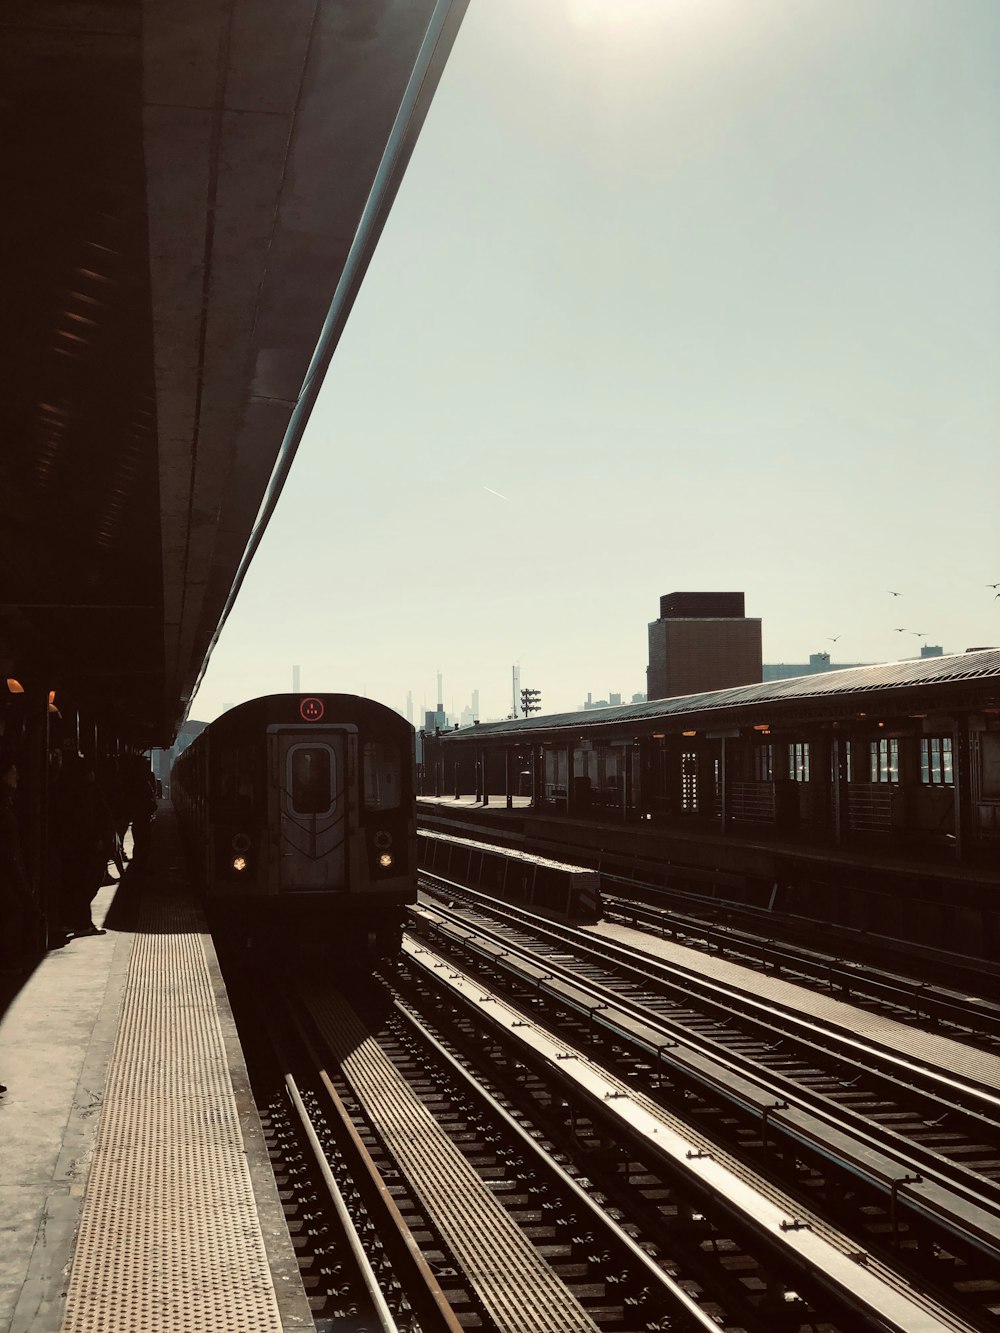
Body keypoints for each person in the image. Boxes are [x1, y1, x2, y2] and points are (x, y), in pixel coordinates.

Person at [55, 753, 115, 937]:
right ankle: (80, 922)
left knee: (79, 884)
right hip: (87, 848)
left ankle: (77, 921)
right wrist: (96, 839)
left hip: (78, 847)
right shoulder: (84, 791)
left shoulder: (72, 790)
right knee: (86, 884)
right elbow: (87, 819)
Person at [0, 747, 38, 972]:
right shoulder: (5, 808)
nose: (18, 776)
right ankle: (8, 961)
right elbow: (10, 850)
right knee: (11, 913)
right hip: (7, 874)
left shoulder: (9, 803)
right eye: (13, 772)